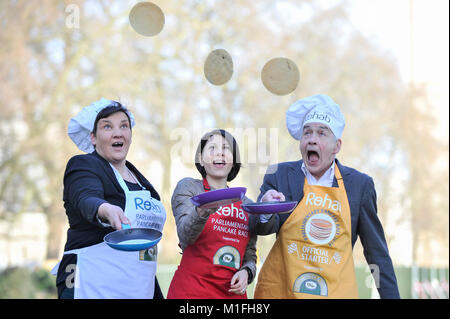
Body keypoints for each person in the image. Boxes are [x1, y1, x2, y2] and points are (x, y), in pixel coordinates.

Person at [253, 94, 400, 299]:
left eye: (322, 133)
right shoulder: (278, 175)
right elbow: (261, 228)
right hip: (283, 292)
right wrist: (265, 208)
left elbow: (376, 253)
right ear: (301, 141)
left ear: (337, 146)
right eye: (307, 133)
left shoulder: (359, 185)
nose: (312, 138)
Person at [52, 98, 166, 299]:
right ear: (93, 138)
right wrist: (106, 209)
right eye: (107, 126)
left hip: (137, 286)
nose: (118, 132)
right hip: (90, 281)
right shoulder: (84, 165)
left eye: (124, 126)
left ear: (130, 135)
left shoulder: (143, 182)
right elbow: (85, 197)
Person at [167, 129, 257, 299]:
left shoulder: (248, 205)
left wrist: (246, 272)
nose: (220, 153)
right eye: (212, 148)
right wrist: (202, 209)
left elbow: (250, 255)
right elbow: (185, 236)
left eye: (226, 148)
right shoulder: (189, 189)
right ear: (201, 158)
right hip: (191, 293)